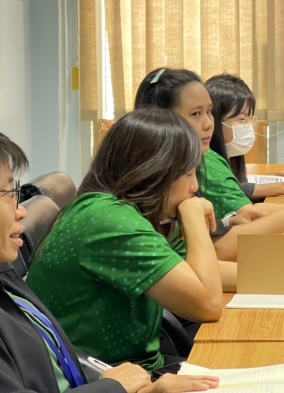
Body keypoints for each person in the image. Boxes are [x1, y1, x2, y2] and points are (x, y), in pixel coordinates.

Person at [0, 132, 220, 393]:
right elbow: (207, 303)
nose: (20, 210)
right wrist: (114, 387)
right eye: (7, 193)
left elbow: (59, 365)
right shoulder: (108, 219)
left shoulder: (6, 275)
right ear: (153, 170)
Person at [134, 69, 284, 262]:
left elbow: (199, 261)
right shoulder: (127, 216)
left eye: (209, 112)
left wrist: (227, 222)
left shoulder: (192, 166)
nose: (208, 123)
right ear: (161, 120)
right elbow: (204, 263)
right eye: (196, 113)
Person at [204, 73, 284, 202]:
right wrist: (283, 187)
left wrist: (270, 179)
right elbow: (228, 191)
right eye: (242, 119)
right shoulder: (205, 160)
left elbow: (233, 183)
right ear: (213, 120)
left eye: (250, 119)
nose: (248, 126)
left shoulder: (229, 158)